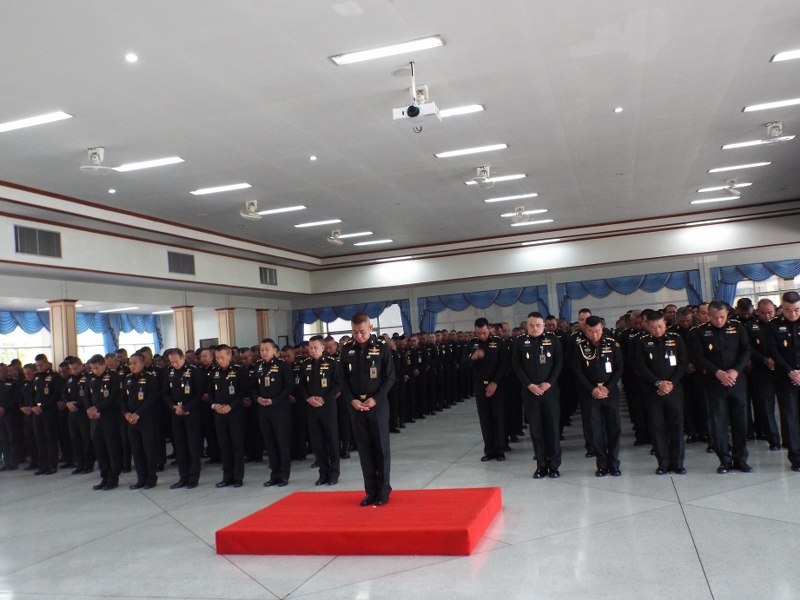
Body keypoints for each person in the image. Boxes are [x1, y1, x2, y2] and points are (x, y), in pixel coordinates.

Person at [689, 300, 752, 473]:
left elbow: (746, 350)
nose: (719, 320)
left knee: (740, 421)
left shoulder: (737, 327)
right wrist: (717, 372)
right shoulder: (700, 332)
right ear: (708, 315)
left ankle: (741, 459)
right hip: (714, 382)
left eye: (722, 317)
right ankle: (724, 460)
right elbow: (698, 356)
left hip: (736, 381)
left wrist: (736, 370)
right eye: (715, 317)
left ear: (727, 314)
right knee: (718, 422)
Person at [339, 313, 395, 506]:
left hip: (377, 405)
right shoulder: (347, 349)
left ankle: (383, 491)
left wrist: (375, 399)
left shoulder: (382, 347)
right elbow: (343, 379)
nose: (358, 336)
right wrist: (351, 400)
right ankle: (370, 491)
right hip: (356, 407)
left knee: (381, 448)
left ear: (370, 328)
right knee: (364, 450)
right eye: (354, 332)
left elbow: (390, 377)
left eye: (362, 331)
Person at [634, 311, 688, 474]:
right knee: (657, 426)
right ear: (647, 327)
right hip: (653, 390)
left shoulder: (676, 339)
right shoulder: (642, 342)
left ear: (665, 323)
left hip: (674, 389)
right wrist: (658, 383)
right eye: (653, 327)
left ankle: (678, 462)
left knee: (676, 425)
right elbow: (641, 366)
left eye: (660, 326)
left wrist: (671, 383)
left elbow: (683, 362)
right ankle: (663, 463)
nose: (657, 330)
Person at [512, 312, 563, 478]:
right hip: (530, 392)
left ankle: (554, 465)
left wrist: (549, 383)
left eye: (538, 325)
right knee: (536, 429)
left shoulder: (553, 340)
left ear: (544, 326)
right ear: (527, 326)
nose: (535, 328)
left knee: (552, 428)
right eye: (532, 325)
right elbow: (517, 365)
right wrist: (529, 385)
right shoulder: (520, 342)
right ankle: (541, 465)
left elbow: (559, 363)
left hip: (550, 392)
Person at [573, 315, 624, 477]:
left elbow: (619, 368)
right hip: (590, 394)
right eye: (590, 331)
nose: (594, 334)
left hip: (610, 392)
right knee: (595, 430)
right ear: (586, 330)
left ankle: (614, 463)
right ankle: (601, 464)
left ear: (602, 328)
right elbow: (578, 371)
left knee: (614, 427)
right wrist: (592, 389)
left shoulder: (612, 344)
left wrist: (607, 388)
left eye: (597, 331)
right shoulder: (580, 347)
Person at [464, 317, 510, 462]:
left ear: (488, 329)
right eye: (479, 333)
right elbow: (462, 362)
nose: (482, 336)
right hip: (480, 385)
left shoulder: (498, 343)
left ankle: (500, 450)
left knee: (498, 417)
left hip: (497, 385)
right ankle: (489, 450)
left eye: (484, 332)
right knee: (485, 418)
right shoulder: (472, 344)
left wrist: (495, 382)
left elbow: (504, 364)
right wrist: (472, 357)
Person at [765, 291, 800, 472]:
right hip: (785, 378)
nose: (793, 314)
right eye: (788, 310)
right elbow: (773, 352)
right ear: (781, 307)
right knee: (789, 417)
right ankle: (796, 457)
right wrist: (790, 372)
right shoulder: (773, 326)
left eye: (797, 310)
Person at [300, 335, 342, 485]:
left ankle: (334, 473)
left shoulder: (332, 363)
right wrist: (308, 398)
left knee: (332, 440)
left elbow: (338, 384)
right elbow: (302, 386)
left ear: (323, 348)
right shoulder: (305, 365)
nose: (313, 350)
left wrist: (325, 398)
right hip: (312, 408)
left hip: (328, 407)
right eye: (310, 348)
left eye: (315, 347)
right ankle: (323, 473)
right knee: (317, 442)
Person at [252, 339, 293, 487]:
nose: (264, 352)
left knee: (282, 442)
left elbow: (289, 387)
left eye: (267, 349)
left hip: (279, 409)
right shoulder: (257, 366)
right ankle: (274, 474)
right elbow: (253, 387)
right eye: (261, 350)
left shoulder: (282, 365)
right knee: (269, 443)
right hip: (263, 409)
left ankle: (284, 474)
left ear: (275, 351)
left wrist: (274, 400)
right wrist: (257, 398)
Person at [164, 348, 206, 489]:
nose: (174, 364)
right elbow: (165, 393)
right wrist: (173, 406)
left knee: (193, 446)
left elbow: (199, 393)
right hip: (176, 413)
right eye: (171, 362)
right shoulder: (169, 372)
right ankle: (183, 477)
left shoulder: (194, 371)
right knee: (180, 446)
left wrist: (186, 408)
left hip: (191, 413)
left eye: (176, 361)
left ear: (183, 358)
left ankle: (193, 478)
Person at [745, 299, 782, 451]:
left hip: (781, 371)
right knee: (766, 409)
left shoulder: (781, 325)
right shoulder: (750, 327)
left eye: (770, 312)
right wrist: (765, 360)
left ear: (775, 311)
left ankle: (790, 439)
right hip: (761, 371)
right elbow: (748, 348)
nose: (767, 316)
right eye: (763, 313)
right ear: (757, 312)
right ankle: (773, 440)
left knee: (787, 408)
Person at [210, 345, 247, 487]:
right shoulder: (214, 372)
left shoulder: (239, 371)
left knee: (236, 446)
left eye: (222, 357)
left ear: (229, 356)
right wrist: (214, 405)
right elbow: (210, 393)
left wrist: (230, 406)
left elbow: (242, 391)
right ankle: (227, 477)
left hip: (234, 413)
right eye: (217, 358)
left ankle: (238, 477)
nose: (220, 360)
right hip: (219, 413)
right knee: (224, 446)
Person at [85, 354, 123, 490]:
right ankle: (104, 477)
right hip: (95, 419)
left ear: (104, 365)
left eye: (97, 368)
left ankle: (113, 477)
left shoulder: (113, 377)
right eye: (92, 368)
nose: (94, 371)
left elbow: (113, 396)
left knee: (111, 449)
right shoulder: (90, 378)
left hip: (109, 418)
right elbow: (86, 395)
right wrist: (90, 409)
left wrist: (97, 408)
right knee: (99, 449)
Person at [122, 352, 160, 489]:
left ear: (142, 363)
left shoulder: (150, 378)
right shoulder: (127, 379)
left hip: (146, 419)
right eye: (130, 364)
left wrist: (138, 413)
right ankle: (141, 478)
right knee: (136, 450)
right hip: (131, 421)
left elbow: (151, 399)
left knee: (149, 450)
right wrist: (126, 413)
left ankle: (151, 479)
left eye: (135, 363)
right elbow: (122, 399)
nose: (132, 366)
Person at [31, 354, 63, 475]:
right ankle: (43, 465)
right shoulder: (36, 377)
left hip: (49, 411)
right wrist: (33, 406)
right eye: (37, 366)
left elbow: (56, 394)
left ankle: (52, 465)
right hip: (37, 412)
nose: (39, 368)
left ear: (46, 363)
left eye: (41, 365)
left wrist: (42, 407)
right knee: (39, 439)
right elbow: (32, 394)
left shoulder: (54, 376)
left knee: (50, 438)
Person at [63, 357, 95, 474]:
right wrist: (67, 403)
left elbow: (88, 395)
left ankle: (88, 464)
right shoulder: (70, 379)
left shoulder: (88, 377)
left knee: (86, 439)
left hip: (83, 412)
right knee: (75, 438)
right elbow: (64, 393)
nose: (73, 371)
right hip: (72, 413)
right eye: (71, 369)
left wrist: (77, 404)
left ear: (81, 366)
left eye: (75, 368)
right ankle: (79, 463)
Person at [0, 363, 22, 471]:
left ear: (6, 371)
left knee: (12, 438)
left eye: (2, 371)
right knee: (3, 439)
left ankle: (14, 462)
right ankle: (6, 461)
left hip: (11, 414)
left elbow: (16, 398)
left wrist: (5, 408)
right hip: (0, 415)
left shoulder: (13, 383)